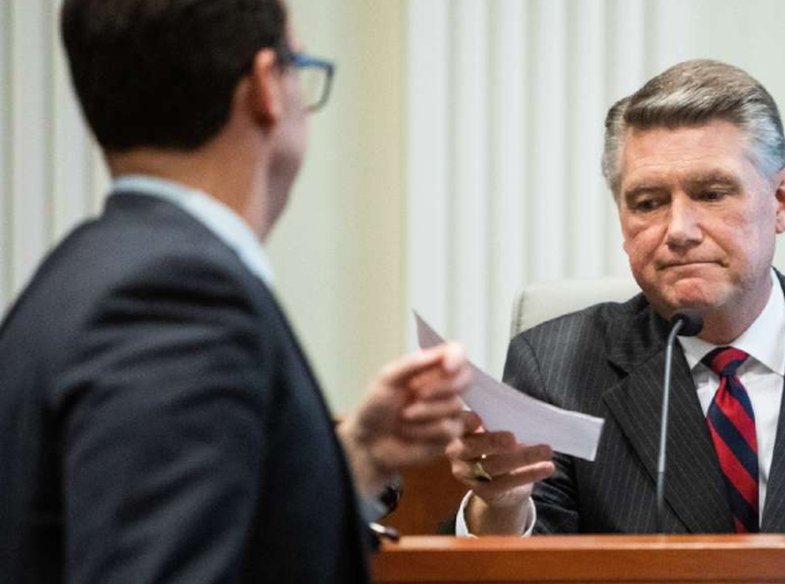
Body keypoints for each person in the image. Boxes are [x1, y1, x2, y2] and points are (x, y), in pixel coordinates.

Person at [0, 0, 469, 582]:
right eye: (299, 65)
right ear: (267, 87)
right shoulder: (174, 301)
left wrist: (358, 458)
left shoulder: (76, 275)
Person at [445, 59, 785, 535]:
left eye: (712, 194)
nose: (679, 230)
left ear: (781, 201)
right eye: (648, 203)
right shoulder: (556, 365)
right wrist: (505, 504)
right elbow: (530, 559)